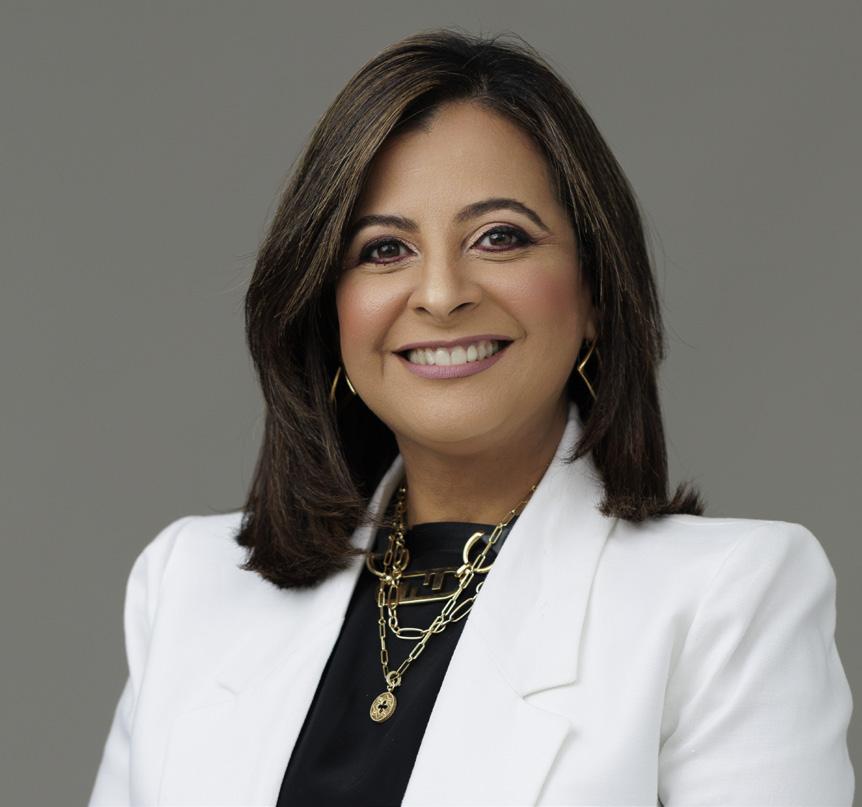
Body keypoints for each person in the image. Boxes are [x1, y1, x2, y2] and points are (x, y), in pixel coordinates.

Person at [88, 28, 854, 807]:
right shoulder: (186, 585)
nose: (441, 294)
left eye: (499, 237)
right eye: (385, 249)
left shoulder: (728, 602)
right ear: (329, 307)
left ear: (594, 291)